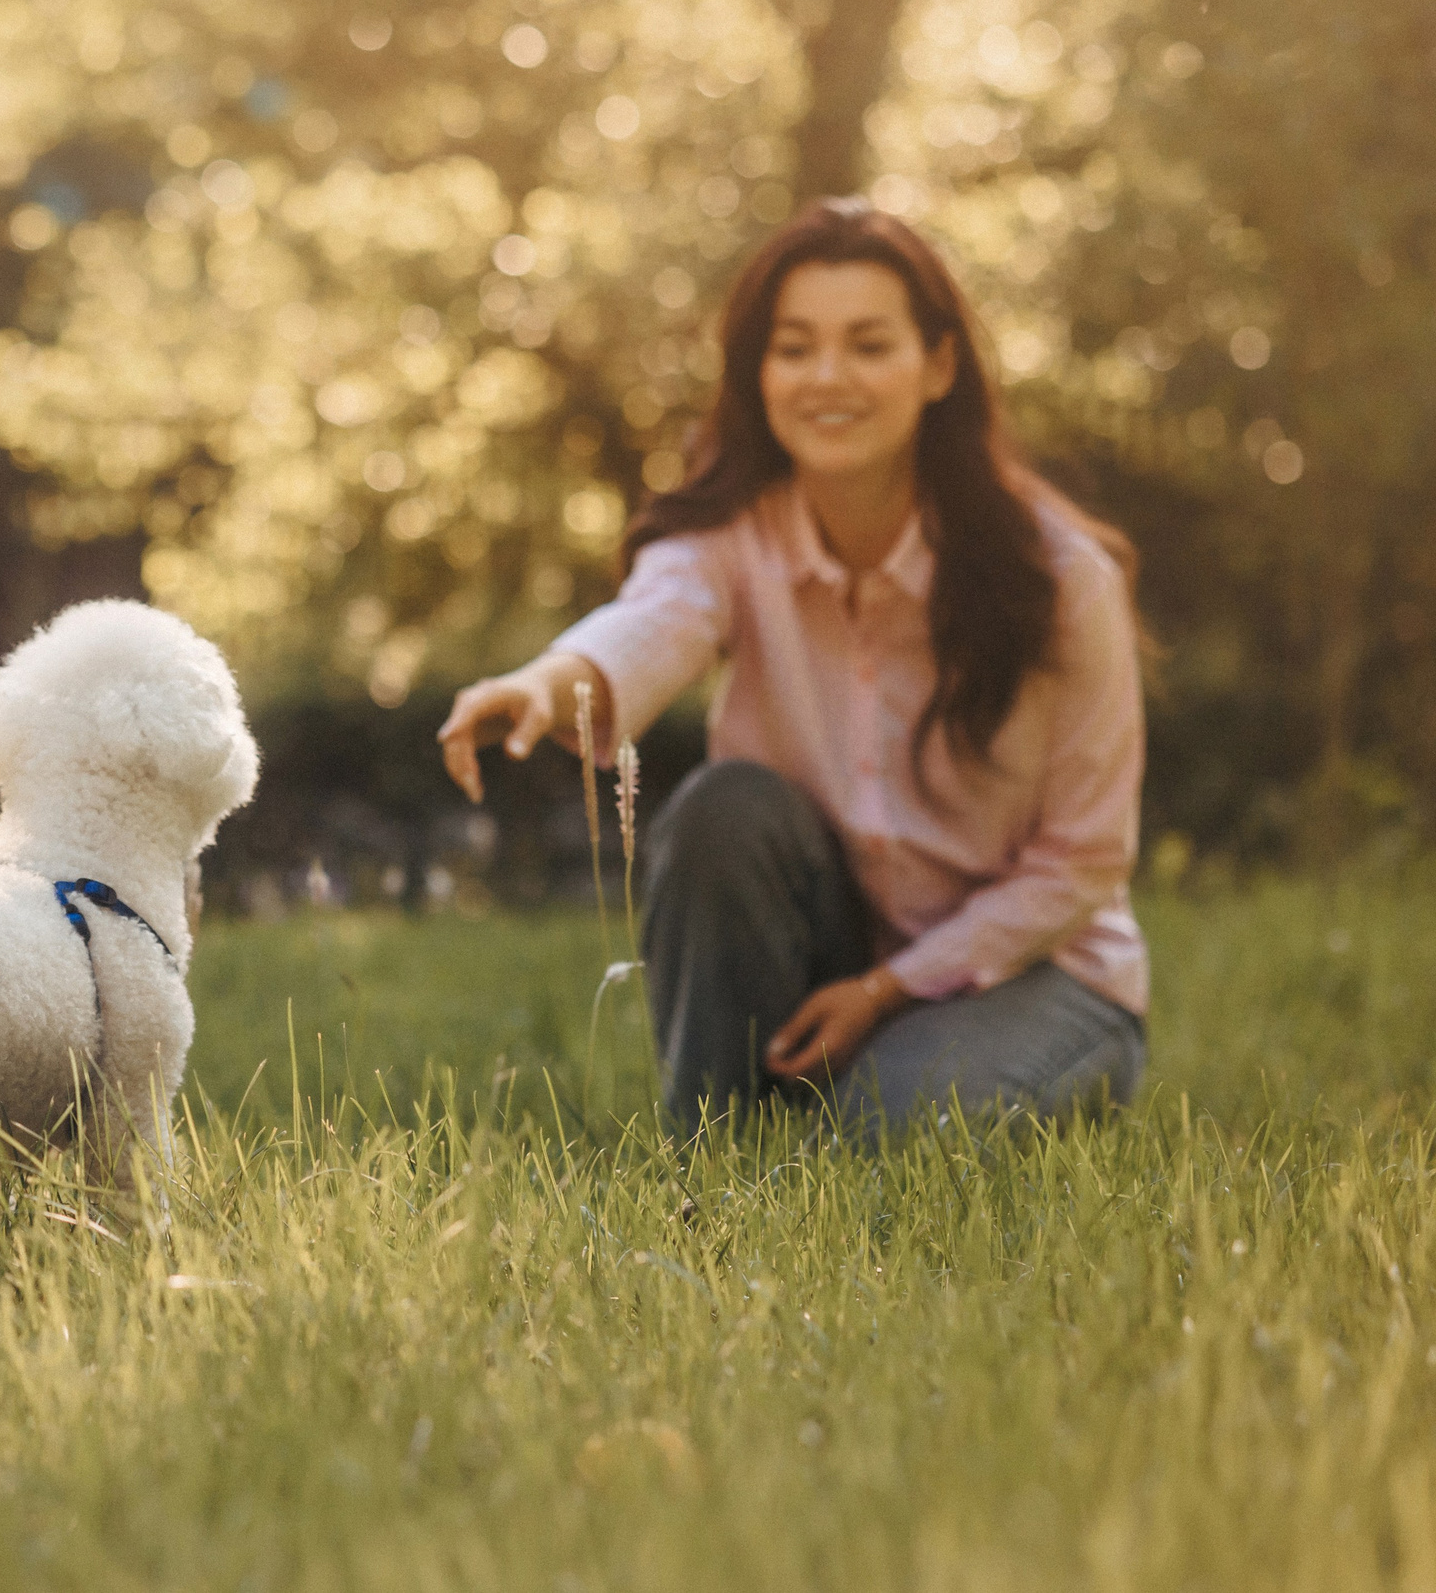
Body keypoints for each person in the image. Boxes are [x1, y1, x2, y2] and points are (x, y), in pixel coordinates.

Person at [437, 198, 1147, 1133]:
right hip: (829, 953)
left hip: (1035, 975)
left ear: (938, 365)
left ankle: (852, 1113)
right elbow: (652, 619)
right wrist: (549, 683)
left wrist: (888, 990)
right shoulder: (731, 538)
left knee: (884, 1132)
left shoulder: (1061, 577)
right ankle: (716, 1145)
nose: (827, 378)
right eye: (795, 347)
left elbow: (1084, 860)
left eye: (868, 345)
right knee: (724, 810)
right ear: (759, 372)